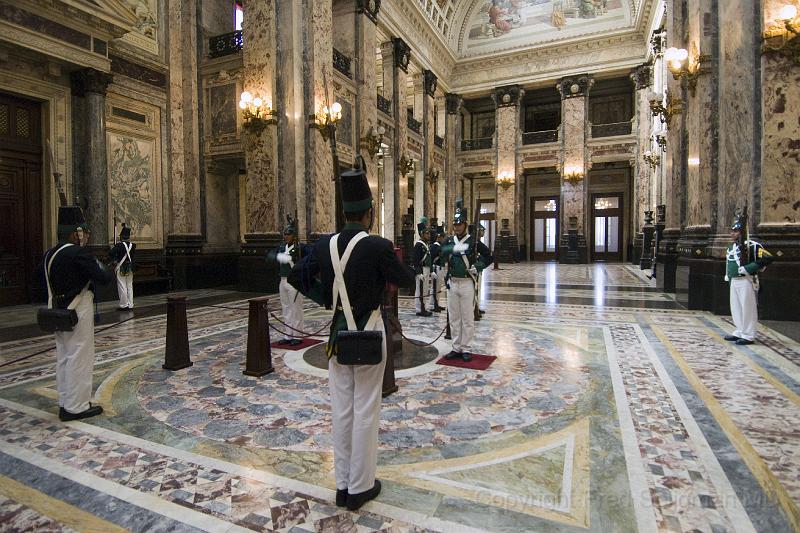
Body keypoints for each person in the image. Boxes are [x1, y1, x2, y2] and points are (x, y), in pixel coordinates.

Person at [288, 161, 414, 511]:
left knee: (342, 410)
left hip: (337, 337)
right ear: (370, 212)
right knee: (366, 410)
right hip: (370, 333)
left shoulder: (324, 244)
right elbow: (406, 280)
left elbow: (296, 277)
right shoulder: (378, 246)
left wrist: (327, 297)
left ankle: (343, 484)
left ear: (344, 211)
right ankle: (361, 486)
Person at [42, 205, 115, 421]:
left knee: (64, 355)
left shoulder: (49, 254)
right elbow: (103, 278)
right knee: (80, 356)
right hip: (77, 310)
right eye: (83, 232)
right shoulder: (78, 253)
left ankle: (66, 401)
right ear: (76, 232)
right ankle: (77, 406)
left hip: (57, 310)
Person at [440, 200, 492, 362]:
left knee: (467, 318)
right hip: (452, 283)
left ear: (465, 224)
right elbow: (442, 252)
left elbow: (489, 256)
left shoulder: (473, 241)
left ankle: (466, 347)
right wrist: (454, 249)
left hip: (467, 283)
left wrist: (478, 266)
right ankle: (456, 347)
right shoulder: (449, 240)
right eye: (455, 225)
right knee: (454, 317)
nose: (456, 227)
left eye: (459, 224)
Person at [724, 214, 773, 345]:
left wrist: (749, 268)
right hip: (734, 280)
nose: (732, 234)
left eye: (735, 231)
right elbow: (729, 264)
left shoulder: (752, 246)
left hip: (746, 280)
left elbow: (768, 257)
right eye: (732, 231)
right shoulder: (731, 248)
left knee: (747, 307)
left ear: (742, 233)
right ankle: (740, 330)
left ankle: (749, 334)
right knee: (736, 307)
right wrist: (729, 278)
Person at [267, 216, 310, 346]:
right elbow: (269, 256)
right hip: (283, 279)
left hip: (294, 281)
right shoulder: (281, 247)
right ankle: (288, 334)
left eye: (289, 234)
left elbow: (311, 256)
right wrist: (280, 257)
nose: (286, 236)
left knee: (296, 308)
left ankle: (297, 335)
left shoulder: (300, 248)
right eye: (285, 234)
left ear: (294, 236)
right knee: (286, 308)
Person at [109, 223, 136, 310]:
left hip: (121, 266)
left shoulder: (119, 245)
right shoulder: (133, 245)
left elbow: (111, 253)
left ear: (121, 237)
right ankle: (131, 304)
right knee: (129, 286)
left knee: (122, 286)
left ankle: (124, 305)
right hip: (130, 267)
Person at [413, 217, 433, 317]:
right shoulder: (418, 245)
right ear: (421, 234)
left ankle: (424, 307)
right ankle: (419, 309)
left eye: (429, 233)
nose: (428, 235)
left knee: (425, 290)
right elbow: (415, 261)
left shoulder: (426, 244)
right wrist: (418, 272)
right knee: (420, 290)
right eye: (426, 233)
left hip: (426, 269)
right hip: (421, 270)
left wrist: (431, 270)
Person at [429, 226, 445, 313]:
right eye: (442, 237)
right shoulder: (435, 246)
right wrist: (431, 271)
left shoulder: (440, 245)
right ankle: (432, 304)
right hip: (436, 268)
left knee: (438, 287)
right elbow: (431, 259)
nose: (443, 238)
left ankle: (437, 303)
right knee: (434, 287)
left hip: (441, 267)